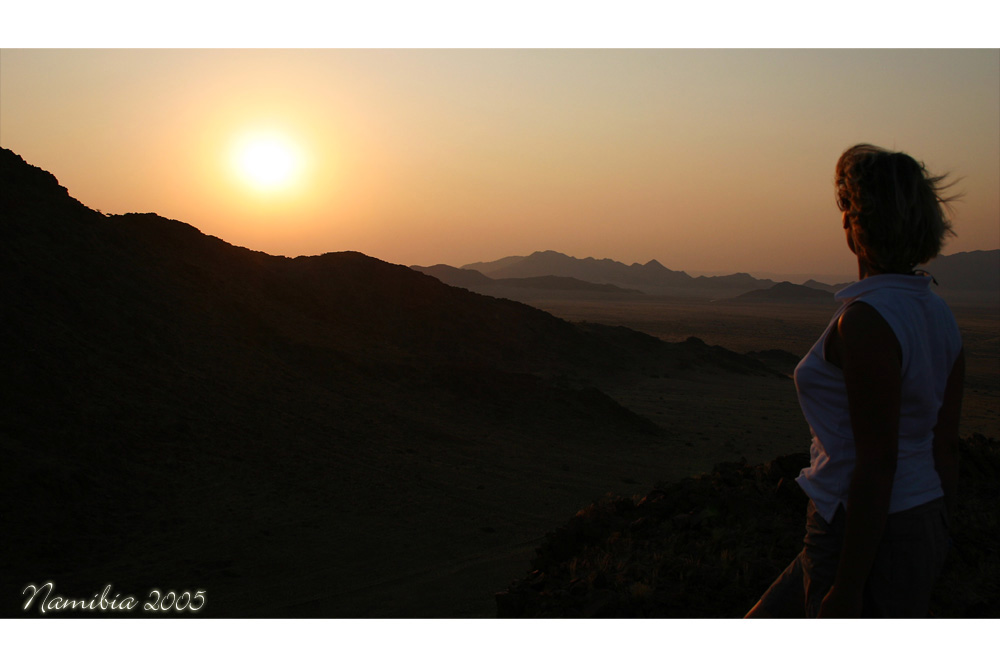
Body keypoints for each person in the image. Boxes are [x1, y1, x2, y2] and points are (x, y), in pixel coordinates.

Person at [745, 144, 964, 618]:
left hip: (859, 527)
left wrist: (848, 584)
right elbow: (945, 445)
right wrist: (939, 533)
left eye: (848, 207)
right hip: (914, 517)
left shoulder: (866, 322)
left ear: (856, 223)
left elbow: (877, 461)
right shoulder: (937, 313)